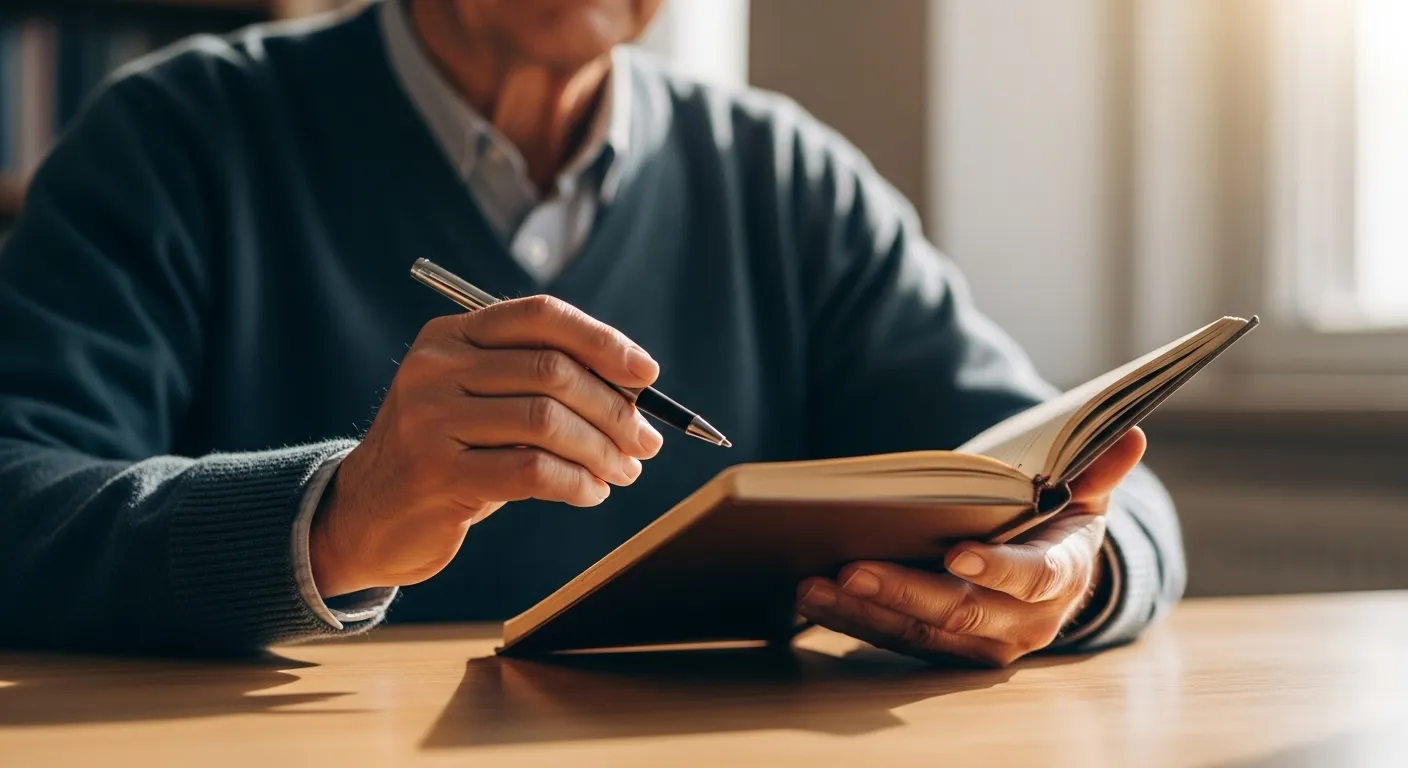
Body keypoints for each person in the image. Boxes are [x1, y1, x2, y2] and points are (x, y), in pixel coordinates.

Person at [0, 0, 1183, 665]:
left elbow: (1066, 466)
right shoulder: (174, 137)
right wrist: (337, 519)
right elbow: (17, 500)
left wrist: (1074, 570)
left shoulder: (787, 180)